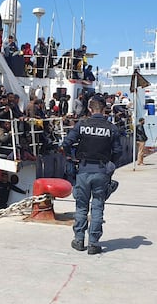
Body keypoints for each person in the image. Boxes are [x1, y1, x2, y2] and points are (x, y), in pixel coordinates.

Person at [62, 94, 122, 255]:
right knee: (97, 206)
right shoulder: (111, 128)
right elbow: (117, 151)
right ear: (104, 110)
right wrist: (110, 164)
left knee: (81, 206)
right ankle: (94, 243)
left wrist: (71, 157)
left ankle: (79, 240)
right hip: (102, 171)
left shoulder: (82, 124)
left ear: (89, 109)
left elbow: (66, 143)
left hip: (83, 170)